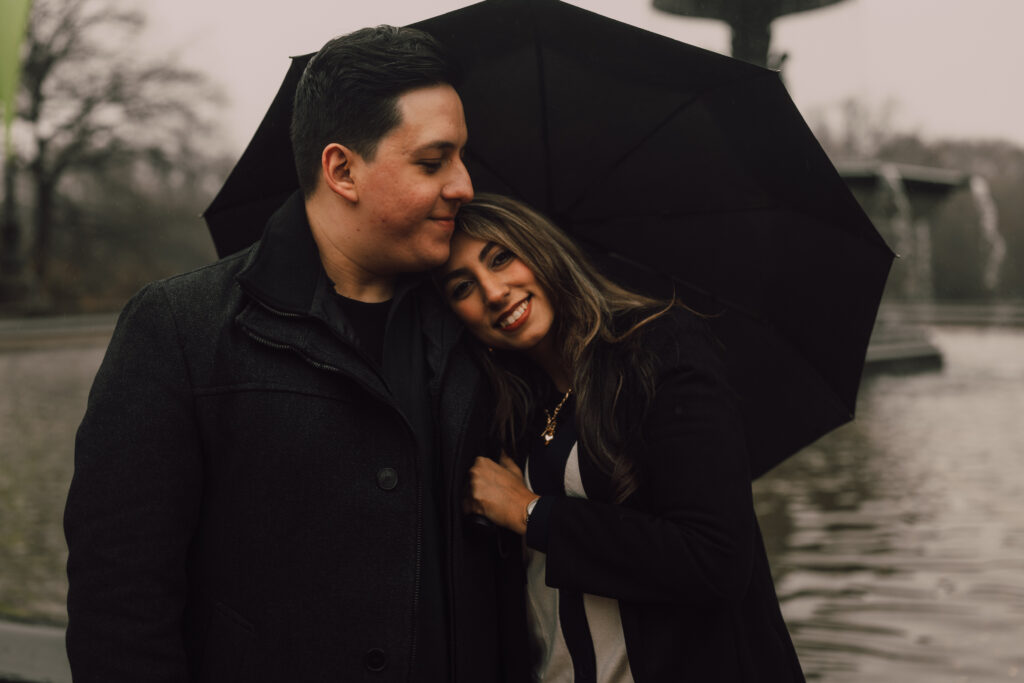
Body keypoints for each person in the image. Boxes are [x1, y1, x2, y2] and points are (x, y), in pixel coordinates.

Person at [65, 27, 526, 682]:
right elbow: (120, 603)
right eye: (434, 161)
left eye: (462, 158)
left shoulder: (476, 327)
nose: (464, 185)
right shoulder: (180, 328)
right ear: (342, 170)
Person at [438, 193, 806, 682]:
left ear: (543, 251)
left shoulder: (659, 352)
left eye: (501, 257)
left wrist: (529, 513)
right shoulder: (514, 411)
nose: (494, 291)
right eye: (463, 286)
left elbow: (715, 557)